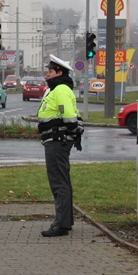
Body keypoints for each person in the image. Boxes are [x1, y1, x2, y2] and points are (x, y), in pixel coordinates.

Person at [37, 54, 84, 237]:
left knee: (58, 182)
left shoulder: (61, 89)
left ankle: (61, 225)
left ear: (59, 72)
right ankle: (65, 221)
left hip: (57, 140)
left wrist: (65, 131)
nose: (47, 75)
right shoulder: (58, 89)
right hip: (56, 139)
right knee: (62, 181)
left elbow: (70, 117)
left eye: (50, 71)